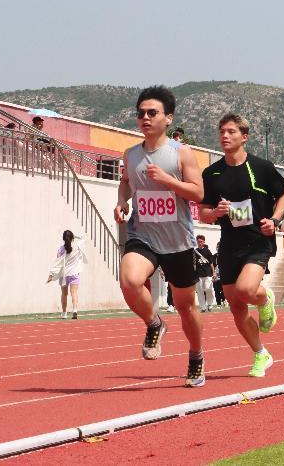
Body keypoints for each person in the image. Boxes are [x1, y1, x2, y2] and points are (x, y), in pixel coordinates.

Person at [113, 86, 206, 388]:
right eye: (141, 113)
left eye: (152, 112)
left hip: (178, 242)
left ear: (168, 118)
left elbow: (198, 193)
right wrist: (122, 201)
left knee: (185, 306)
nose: (145, 118)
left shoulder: (182, 153)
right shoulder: (131, 154)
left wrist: (167, 180)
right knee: (129, 280)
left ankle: (196, 356)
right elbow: (126, 183)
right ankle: (154, 323)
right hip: (143, 234)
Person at [199, 113, 284, 378]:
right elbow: (203, 212)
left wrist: (275, 220)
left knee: (246, 290)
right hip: (229, 244)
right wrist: (216, 212)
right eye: (221, 131)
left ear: (244, 136)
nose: (225, 136)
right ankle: (261, 353)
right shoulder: (212, 173)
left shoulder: (262, 167)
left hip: (258, 240)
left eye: (231, 131)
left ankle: (265, 298)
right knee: (236, 307)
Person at [47, 230, 87, 319]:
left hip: (64, 276)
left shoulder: (61, 249)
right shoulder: (77, 245)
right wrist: (75, 236)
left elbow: (57, 263)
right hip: (74, 274)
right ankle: (75, 310)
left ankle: (64, 313)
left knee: (64, 294)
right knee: (74, 293)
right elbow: (84, 237)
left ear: (64, 238)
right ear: (72, 237)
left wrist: (51, 274)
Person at [194, 235, 216, 312]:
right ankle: (203, 307)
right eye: (198, 241)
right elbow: (193, 264)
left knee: (208, 288)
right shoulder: (195, 252)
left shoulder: (207, 251)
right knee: (199, 291)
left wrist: (214, 272)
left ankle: (210, 304)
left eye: (201, 241)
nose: (200, 243)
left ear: (204, 242)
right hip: (198, 274)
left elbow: (211, 263)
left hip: (208, 273)